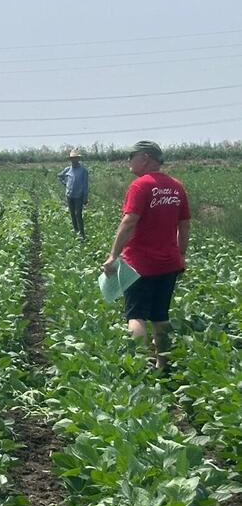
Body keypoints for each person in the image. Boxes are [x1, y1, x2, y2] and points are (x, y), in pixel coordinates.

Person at [102, 141, 189, 374]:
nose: (129, 161)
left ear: (145, 157)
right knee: (160, 315)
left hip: (140, 265)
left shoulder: (140, 186)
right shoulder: (176, 187)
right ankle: (162, 365)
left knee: (136, 315)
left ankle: (138, 367)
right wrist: (181, 255)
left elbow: (129, 222)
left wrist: (113, 255)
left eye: (132, 156)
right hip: (169, 263)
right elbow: (184, 225)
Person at [58, 148, 89, 238]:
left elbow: (85, 185)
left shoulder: (83, 170)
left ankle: (82, 234)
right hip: (69, 195)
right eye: (72, 158)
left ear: (78, 159)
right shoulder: (68, 169)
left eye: (75, 158)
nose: (73, 160)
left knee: (78, 214)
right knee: (72, 214)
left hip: (78, 196)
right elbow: (60, 176)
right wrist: (65, 184)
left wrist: (85, 197)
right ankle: (76, 231)